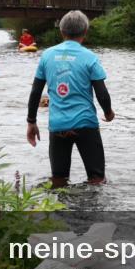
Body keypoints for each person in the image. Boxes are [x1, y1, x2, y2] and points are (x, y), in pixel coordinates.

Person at [26, 10, 114, 187]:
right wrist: (108, 112)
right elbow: (101, 93)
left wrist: (31, 121)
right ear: (85, 32)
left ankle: (59, 213)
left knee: (58, 179)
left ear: (61, 31)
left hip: (58, 125)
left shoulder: (47, 56)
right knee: (97, 179)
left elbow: (36, 92)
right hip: (85, 125)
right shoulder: (90, 57)